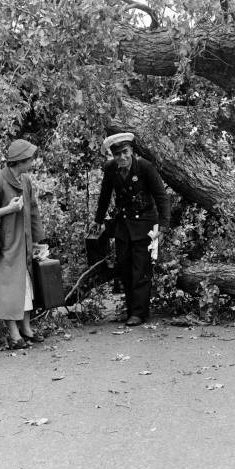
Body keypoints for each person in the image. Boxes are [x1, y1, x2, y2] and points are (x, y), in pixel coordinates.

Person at [92, 133, 170, 326]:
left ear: (131, 151)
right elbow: (105, 195)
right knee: (125, 267)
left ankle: (138, 313)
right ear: (113, 156)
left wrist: (164, 226)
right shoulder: (111, 169)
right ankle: (133, 310)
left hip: (145, 225)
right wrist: (98, 220)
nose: (122, 158)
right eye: (117, 154)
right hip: (123, 226)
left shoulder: (145, 167)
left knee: (141, 269)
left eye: (125, 152)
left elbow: (161, 197)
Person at [0, 139, 46, 349]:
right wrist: (7, 209)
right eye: (30, 158)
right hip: (5, 245)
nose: (33, 161)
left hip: (23, 242)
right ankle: (14, 335)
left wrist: (38, 240)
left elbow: (33, 210)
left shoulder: (25, 180)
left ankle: (26, 329)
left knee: (26, 287)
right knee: (9, 289)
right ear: (20, 161)